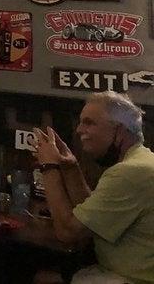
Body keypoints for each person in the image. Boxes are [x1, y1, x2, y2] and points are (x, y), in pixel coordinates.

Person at [33, 91, 154, 284]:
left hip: (132, 279)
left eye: (89, 123)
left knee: (41, 278)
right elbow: (92, 219)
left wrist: (49, 167)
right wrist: (70, 167)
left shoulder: (131, 172)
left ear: (119, 131)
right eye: (81, 122)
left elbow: (67, 232)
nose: (79, 130)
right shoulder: (142, 161)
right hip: (121, 273)